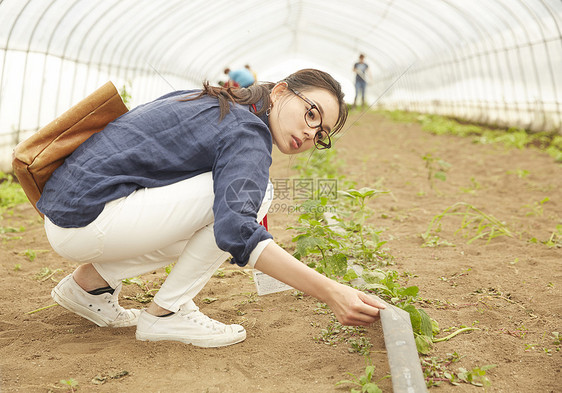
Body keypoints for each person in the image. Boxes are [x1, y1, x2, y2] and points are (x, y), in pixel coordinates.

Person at [38, 68, 386, 348]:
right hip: (90, 220)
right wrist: (333, 292)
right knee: (254, 195)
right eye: (312, 114)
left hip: (71, 211)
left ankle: (90, 286)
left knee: (230, 199)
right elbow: (235, 229)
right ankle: (166, 314)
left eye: (321, 134)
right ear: (279, 92)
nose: (310, 134)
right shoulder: (247, 131)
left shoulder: (214, 100)